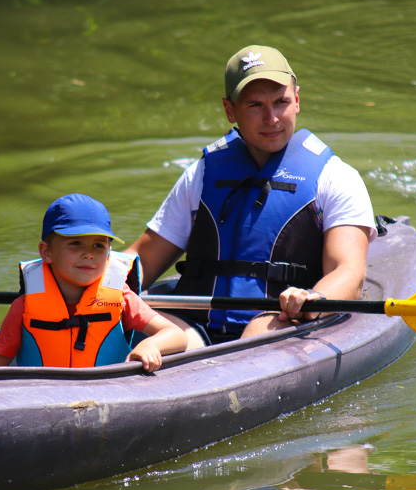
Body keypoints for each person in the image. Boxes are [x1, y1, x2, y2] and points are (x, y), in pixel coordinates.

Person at [125, 45, 377, 348]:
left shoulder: (336, 177)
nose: (271, 118)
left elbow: (347, 271)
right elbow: (144, 260)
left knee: (259, 331)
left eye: (281, 102)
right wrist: (75, 273)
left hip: (278, 322)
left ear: (297, 100)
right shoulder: (203, 174)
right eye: (255, 105)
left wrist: (315, 298)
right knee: (139, 327)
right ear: (230, 110)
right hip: (196, 324)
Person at [0, 193, 187, 371]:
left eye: (98, 245)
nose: (88, 254)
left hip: (107, 393)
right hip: (42, 398)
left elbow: (176, 335)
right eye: (76, 243)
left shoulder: (122, 297)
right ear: (46, 252)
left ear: (109, 253)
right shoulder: (23, 307)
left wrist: (150, 345)